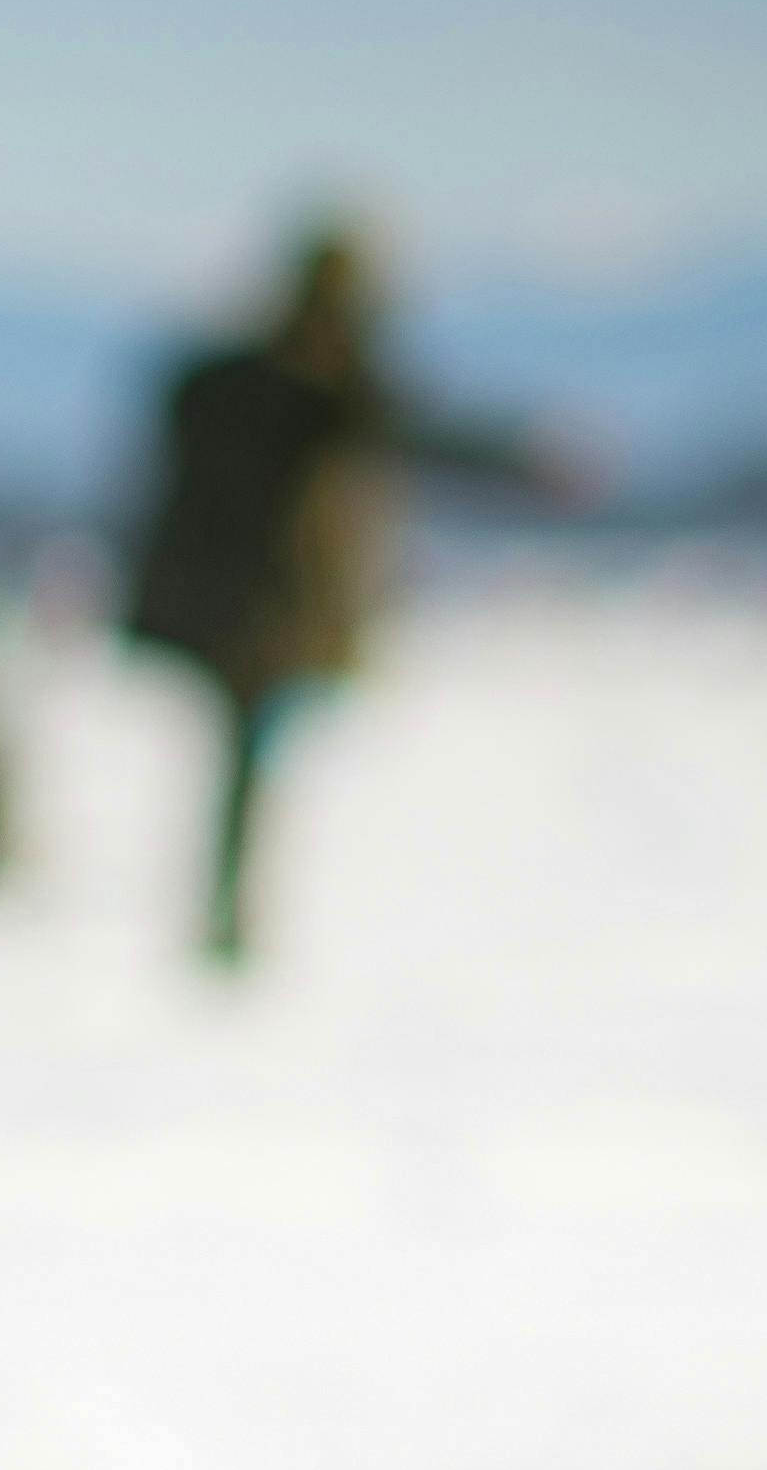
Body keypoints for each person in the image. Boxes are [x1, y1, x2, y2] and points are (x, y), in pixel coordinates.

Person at [116, 217, 551, 969]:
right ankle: (230, 923)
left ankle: (228, 918)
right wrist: (526, 459)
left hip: (237, 617)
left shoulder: (229, 380)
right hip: (271, 620)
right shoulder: (324, 395)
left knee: (247, 766)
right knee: (249, 766)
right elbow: (416, 436)